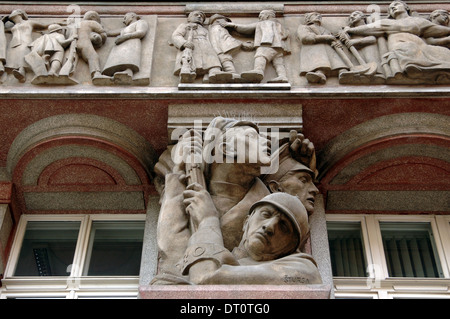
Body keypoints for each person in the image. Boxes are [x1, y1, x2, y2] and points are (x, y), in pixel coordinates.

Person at [152, 117, 272, 281]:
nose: (267, 140)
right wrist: (179, 174)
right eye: (252, 136)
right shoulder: (186, 192)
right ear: (225, 148)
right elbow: (174, 263)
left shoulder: (271, 206)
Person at [163, 192, 322, 285]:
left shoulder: (304, 270)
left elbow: (205, 278)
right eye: (265, 214)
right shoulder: (229, 258)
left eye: (284, 226)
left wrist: (208, 221)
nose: (269, 226)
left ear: (291, 247)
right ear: (246, 222)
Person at [344, 1, 450, 83]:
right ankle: (416, 69)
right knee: (410, 49)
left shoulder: (420, 21)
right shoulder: (387, 22)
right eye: (391, 8)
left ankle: (436, 73)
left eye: (396, 4)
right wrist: (349, 30)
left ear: (406, 7)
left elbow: (440, 31)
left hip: (424, 47)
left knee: (444, 52)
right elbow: (368, 28)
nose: (393, 7)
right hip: (403, 46)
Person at [219, 9, 291, 83]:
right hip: (279, 47)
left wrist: (233, 25)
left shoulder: (264, 23)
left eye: (261, 15)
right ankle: (282, 76)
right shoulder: (279, 25)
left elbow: (246, 28)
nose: (260, 18)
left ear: (267, 16)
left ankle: (258, 70)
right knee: (278, 62)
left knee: (260, 56)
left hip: (267, 44)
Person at [297, 12, 349, 84]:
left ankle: (343, 72)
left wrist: (337, 44)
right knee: (320, 61)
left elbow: (332, 39)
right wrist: (325, 37)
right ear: (308, 19)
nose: (318, 16)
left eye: (319, 16)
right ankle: (320, 74)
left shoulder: (325, 30)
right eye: (315, 15)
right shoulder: (304, 27)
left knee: (337, 62)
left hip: (329, 49)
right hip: (315, 49)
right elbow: (305, 38)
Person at [170, 11, 222, 83]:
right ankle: (189, 72)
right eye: (196, 15)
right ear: (189, 18)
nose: (199, 17)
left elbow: (210, 39)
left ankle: (214, 71)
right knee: (193, 60)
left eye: (201, 16)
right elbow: (176, 36)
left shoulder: (205, 30)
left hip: (206, 45)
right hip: (192, 44)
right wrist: (184, 43)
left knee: (211, 56)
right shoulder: (184, 26)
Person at [3, 9, 50, 82]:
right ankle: (18, 73)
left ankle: (22, 71)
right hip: (14, 43)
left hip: (25, 41)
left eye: (13, 16)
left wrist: (58, 23)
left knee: (23, 55)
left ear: (19, 14)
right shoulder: (14, 26)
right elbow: (3, 30)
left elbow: (43, 26)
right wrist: (2, 21)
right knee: (13, 58)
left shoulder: (29, 22)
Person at [102, 12, 149, 84]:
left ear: (132, 16)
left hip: (131, 43)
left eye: (125, 18)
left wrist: (125, 37)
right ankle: (115, 74)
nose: (123, 21)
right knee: (118, 59)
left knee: (128, 59)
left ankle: (128, 72)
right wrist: (101, 30)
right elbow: (110, 32)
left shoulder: (140, 22)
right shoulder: (125, 28)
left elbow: (141, 32)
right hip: (121, 45)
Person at [208, 14, 254, 83]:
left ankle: (232, 74)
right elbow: (226, 38)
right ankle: (232, 74)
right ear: (218, 21)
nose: (227, 23)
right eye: (225, 21)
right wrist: (241, 43)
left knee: (225, 60)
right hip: (220, 49)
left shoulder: (215, 28)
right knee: (226, 59)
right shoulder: (218, 28)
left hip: (218, 49)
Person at [76, 11, 108, 83]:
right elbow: (103, 34)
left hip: (76, 44)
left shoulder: (78, 24)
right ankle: (96, 74)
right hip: (85, 42)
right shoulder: (92, 23)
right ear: (93, 17)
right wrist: (100, 41)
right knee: (93, 56)